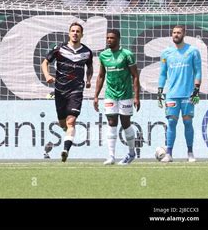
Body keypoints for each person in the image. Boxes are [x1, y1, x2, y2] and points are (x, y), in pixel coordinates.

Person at [41, 22, 93, 162]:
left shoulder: (87, 52)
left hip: (76, 91)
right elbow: (44, 62)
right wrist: (47, 76)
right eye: (73, 31)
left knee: (71, 122)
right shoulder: (59, 48)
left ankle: (65, 150)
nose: (75, 33)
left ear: (82, 34)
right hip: (60, 91)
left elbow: (90, 67)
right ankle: (67, 137)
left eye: (78, 31)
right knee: (64, 124)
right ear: (69, 33)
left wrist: (88, 80)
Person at [93, 29, 141, 165]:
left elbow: (135, 76)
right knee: (111, 123)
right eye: (107, 38)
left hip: (125, 94)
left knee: (126, 124)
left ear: (119, 39)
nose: (109, 40)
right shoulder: (103, 55)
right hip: (110, 95)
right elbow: (101, 76)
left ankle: (131, 153)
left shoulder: (127, 55)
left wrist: (136, 97)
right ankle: (111, 156)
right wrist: (96, 96)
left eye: (112, 38)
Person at [157, 25, 202, 163]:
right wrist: (160, 91)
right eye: (174, 33)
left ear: (184, 34)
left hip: (188, 94)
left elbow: (198, 71)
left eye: (178, 32)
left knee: (188, 122)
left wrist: (196, 90)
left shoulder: (193, 51)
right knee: (171, 122)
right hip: (172, 94)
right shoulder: (166, 53)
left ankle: (190, 152)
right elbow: (163, 74)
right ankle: (169, 153)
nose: (176, 35)